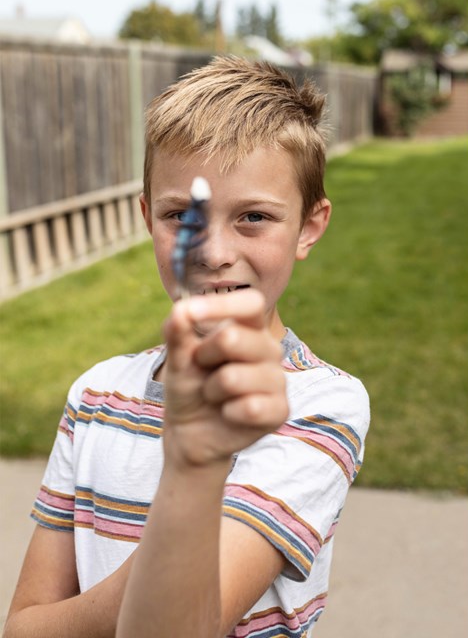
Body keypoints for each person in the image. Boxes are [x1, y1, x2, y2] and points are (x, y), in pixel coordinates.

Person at [4, 57, 370, 637]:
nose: (213, 251)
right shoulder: (96, 394)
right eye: (182, 216)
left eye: (253, 217)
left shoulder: (320, 404)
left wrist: (194, 463)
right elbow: (21, 627)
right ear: (148, 217)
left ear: (308, 227)